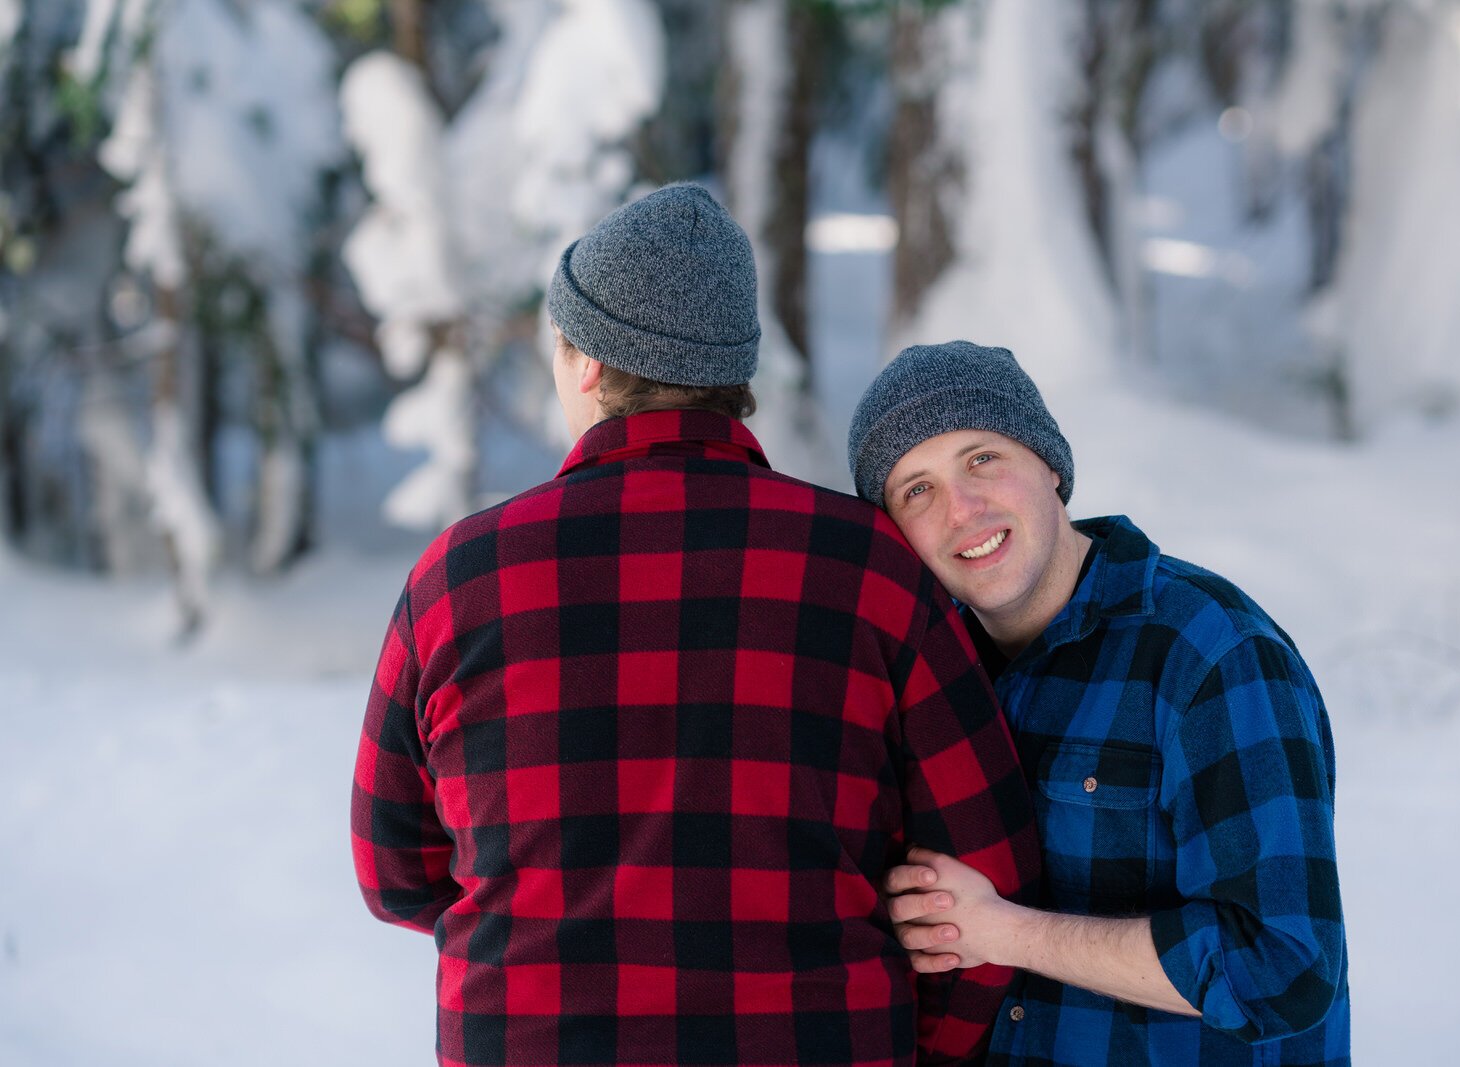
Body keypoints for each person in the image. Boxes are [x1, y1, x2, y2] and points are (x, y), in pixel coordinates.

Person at [351, 188, 1039, 1067]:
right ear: (733, 379)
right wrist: (912, 1044)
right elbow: (990, 865)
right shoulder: (868, 567)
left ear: (590, 364)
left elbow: (394, 871)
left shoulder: (457, 578)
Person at [846, 341, 1349, 1066]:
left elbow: (1283, 966)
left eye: (983, 458)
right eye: (916, 491)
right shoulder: (931, 676)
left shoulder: (1209, 652)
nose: (962, 509)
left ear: (1050, 464)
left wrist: (1005, 931)